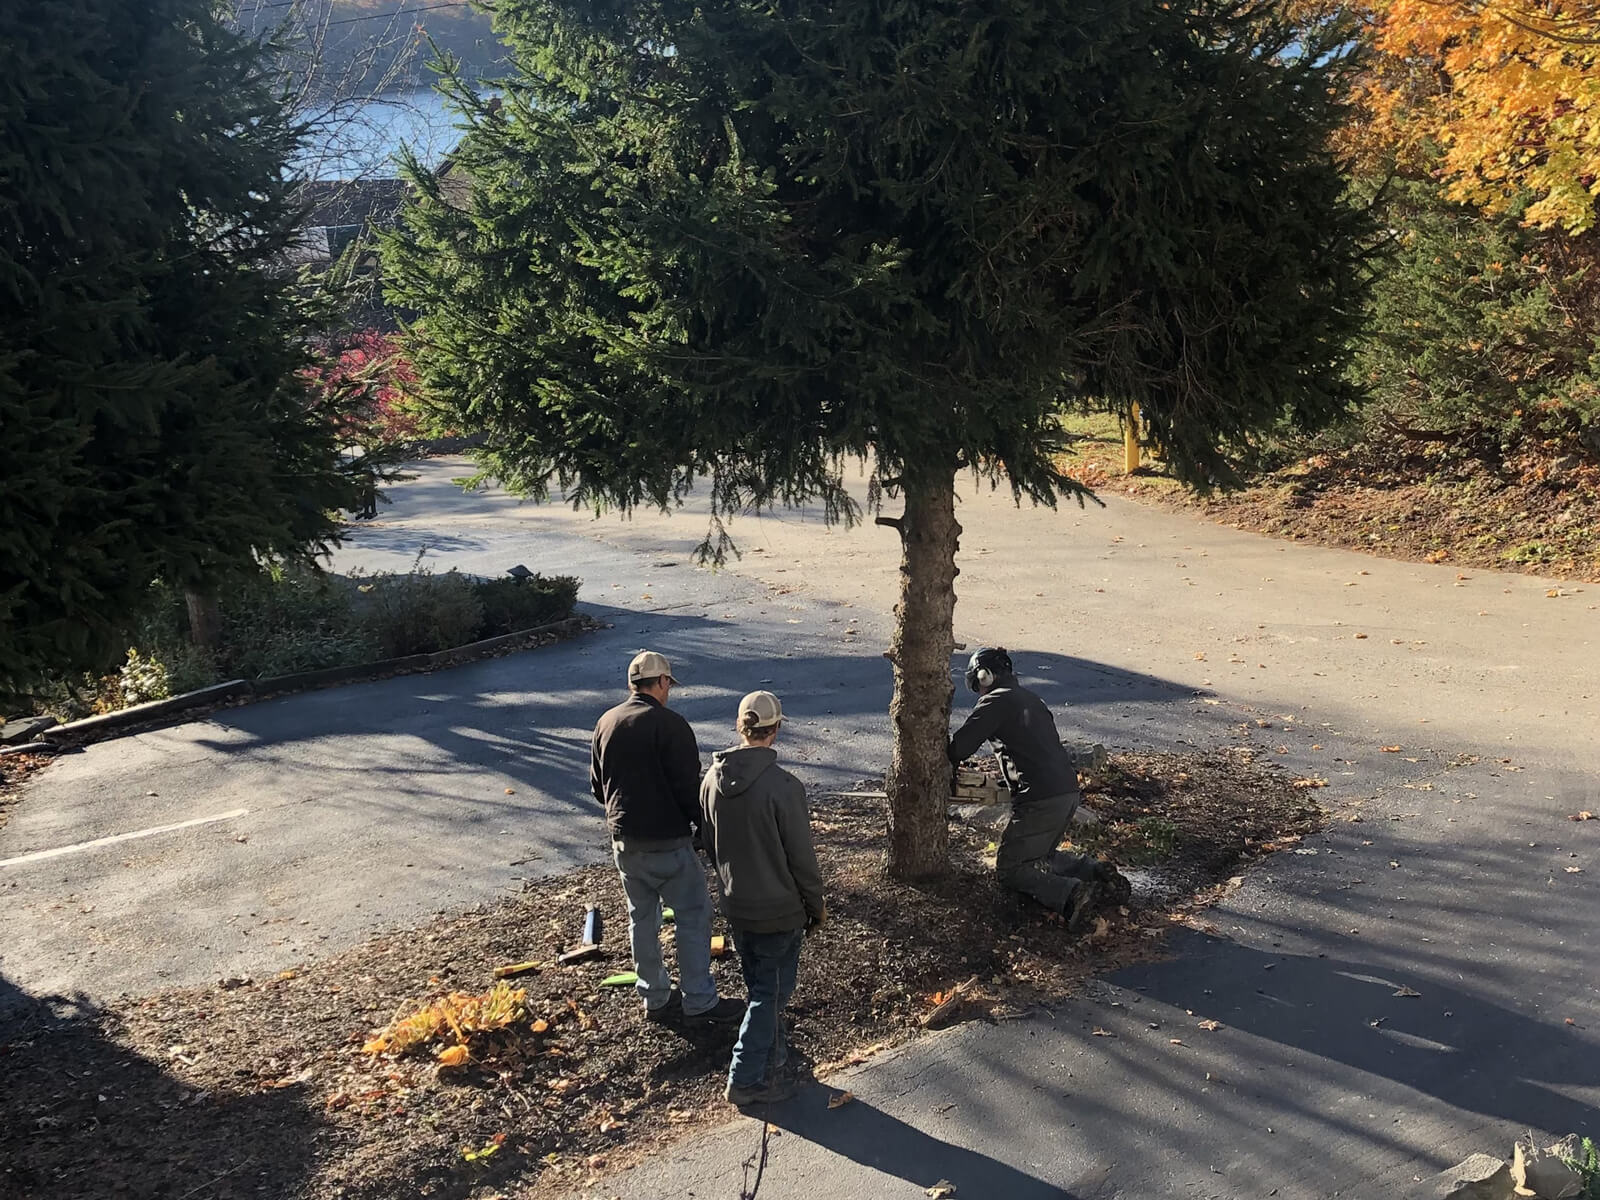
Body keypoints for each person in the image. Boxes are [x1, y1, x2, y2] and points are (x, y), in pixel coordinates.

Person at [590, 651, 744, 1026]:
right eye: (668, 685)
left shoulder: (606, 723)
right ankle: (699, 1000)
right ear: (661, 683)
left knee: (642, 918)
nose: (668, 691)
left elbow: (599, 786)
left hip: (625, 842)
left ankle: (654, 996)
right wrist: (704, 832)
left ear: (632, 685)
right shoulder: (671, 725)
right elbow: (688, 789)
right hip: (668, 840)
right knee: (693, 916)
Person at [699, 690, 825, 1108]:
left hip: (737, 906)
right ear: (776, 730)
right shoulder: (784, 787)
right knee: (768, 997)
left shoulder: (710, 781)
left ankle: (777, 1060)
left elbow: (709, 844)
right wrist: (815, 904)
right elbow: (801, 859)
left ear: (741, 726)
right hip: (779, 911)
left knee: (760, 987)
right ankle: (746, 1078)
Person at [947, 647, 1125, 930]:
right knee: (1040, 855)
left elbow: (959, 749)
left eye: (976, 684)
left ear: (984, 676)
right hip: (1067, 791)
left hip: (1040, 798)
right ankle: (1095, 872)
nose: (978, 691)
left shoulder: (994, 702)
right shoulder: (1032, 700)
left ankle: (1071, 894)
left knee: (1010, 869)